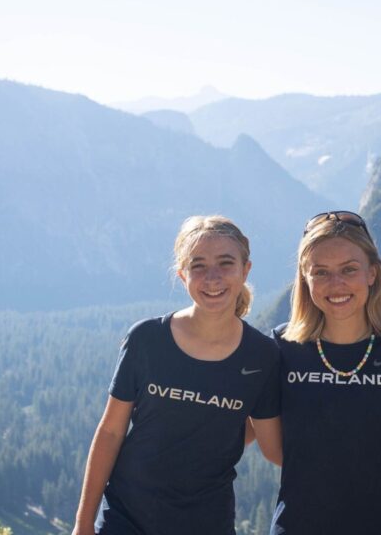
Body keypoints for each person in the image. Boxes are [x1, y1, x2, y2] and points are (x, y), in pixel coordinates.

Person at [72, 215, 282, 535]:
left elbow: (269, 444)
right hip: (126, 517)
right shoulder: (146, 339)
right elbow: (111, 432)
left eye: (226, 263)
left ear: (246, 270)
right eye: (198, 265)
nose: (212, 277)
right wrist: (83, 525)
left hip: (206, 521)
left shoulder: (262, 356)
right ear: (183, 275)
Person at [270, 210, 381, 535]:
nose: (336, 284)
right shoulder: (282, 347)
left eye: (349, 269)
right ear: (305, 279)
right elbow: (272, 448)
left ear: (373, 273)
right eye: (320, 272)